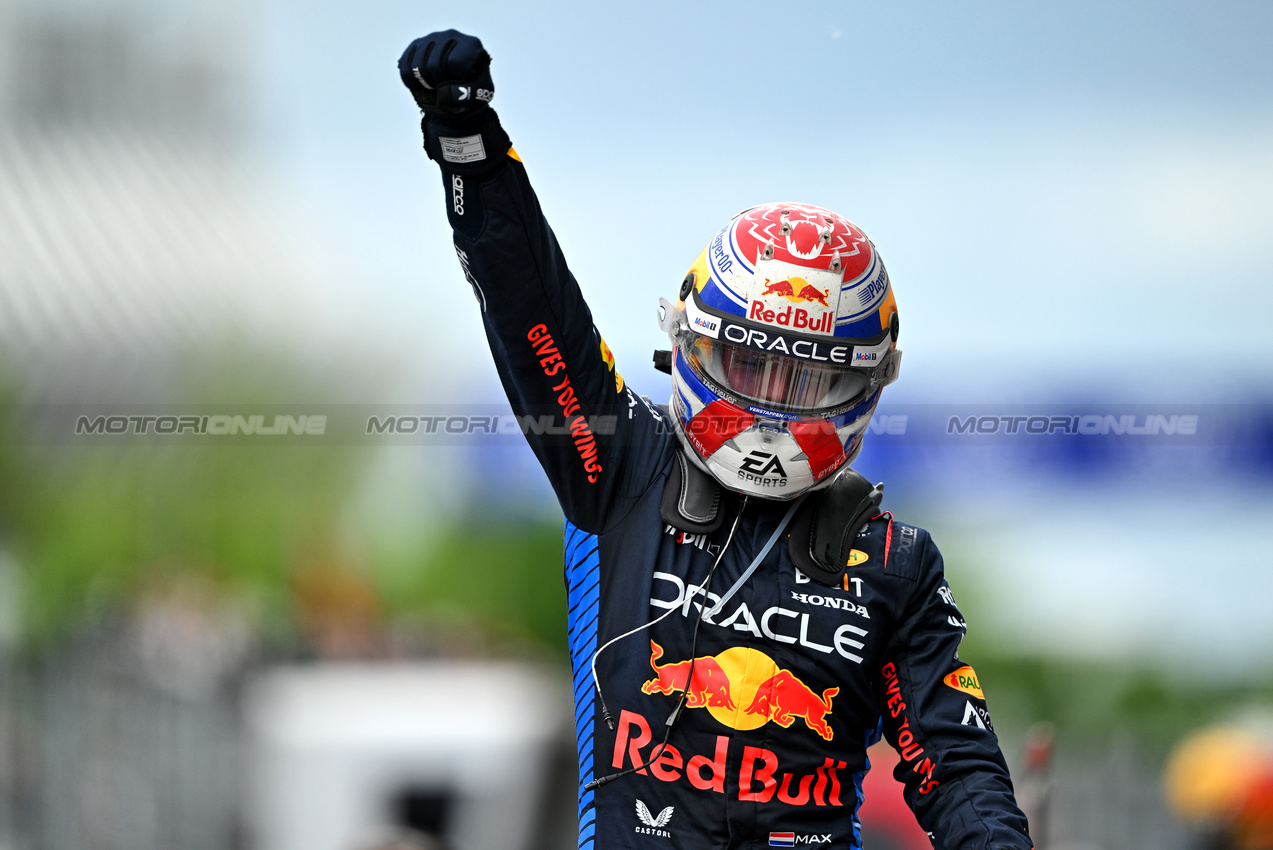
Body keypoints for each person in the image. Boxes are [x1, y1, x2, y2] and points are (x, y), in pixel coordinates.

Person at [398, 29, 1033, 850]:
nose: (770, 405)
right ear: (688, 346)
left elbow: (957, 768)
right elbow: (531, 311)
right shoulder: (619, 466)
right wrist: (469, 149)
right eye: (746, 365)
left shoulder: (895, 564)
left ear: (865, 386)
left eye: (806, 381)